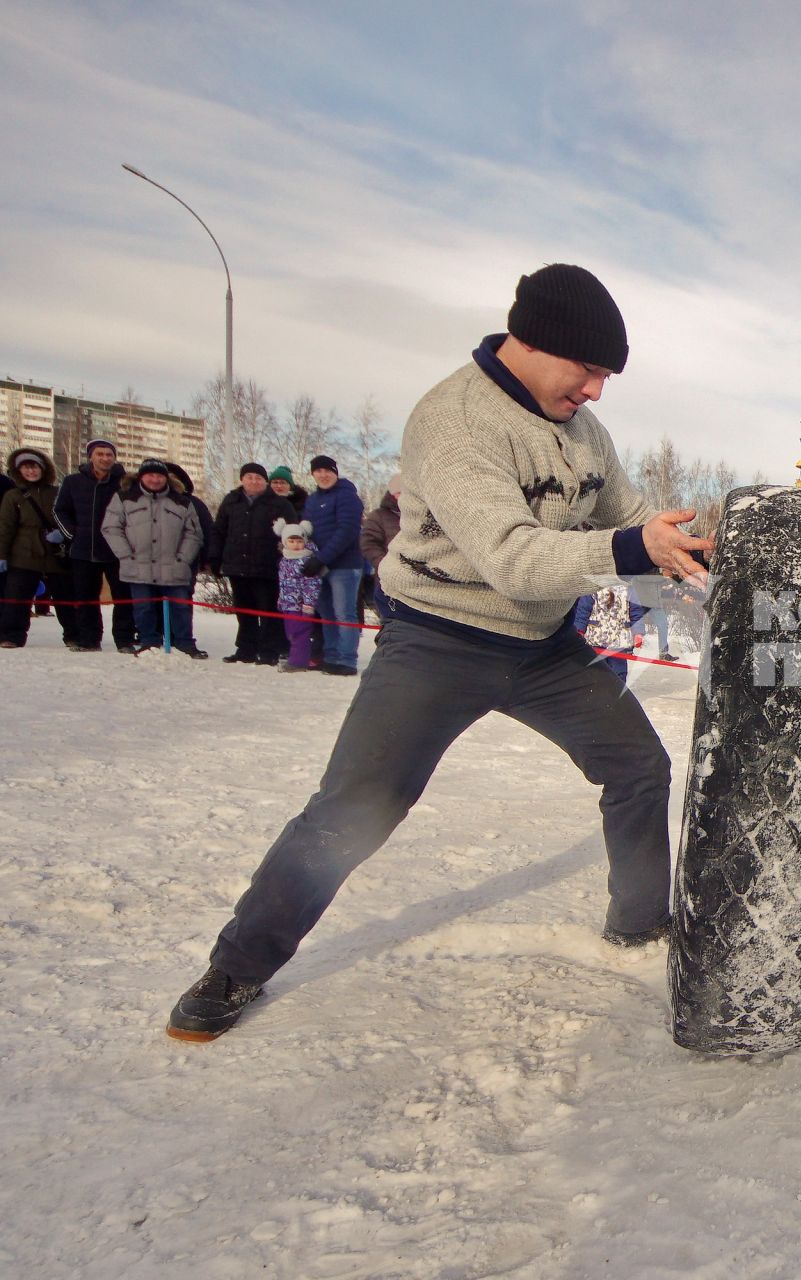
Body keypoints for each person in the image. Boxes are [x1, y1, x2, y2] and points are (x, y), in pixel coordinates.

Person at [166, 262, 711, 1041]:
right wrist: (632, 547)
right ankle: (237, 966)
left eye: (606, 376)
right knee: (357, 808)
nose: (596, 391)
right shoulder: (454, 419)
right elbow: (514, 558)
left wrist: (682, 549)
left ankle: (639, 927)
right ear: (534, 342)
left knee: (638, 767)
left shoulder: (586, 432)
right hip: (439, 640)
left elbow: (628, 513)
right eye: (588, 370)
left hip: (544, 645)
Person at [101, 458, 204, 654]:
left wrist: (183, 558)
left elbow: (193, 533)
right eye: (150, 475)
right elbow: (111, 527)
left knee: (180, 608)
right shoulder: (124, 498)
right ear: (141, 477)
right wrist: (125, 555)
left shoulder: (181, 500)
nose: (155, 480)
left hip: (173, 565)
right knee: (143, 608)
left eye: (159, 476)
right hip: (138, 564)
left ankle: (185, 643)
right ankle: (149, 642)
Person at [211, 462, 299, 663]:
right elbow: (218, 531)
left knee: (269, 611)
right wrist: (215, 557)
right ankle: (245, 649)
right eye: (249, 477)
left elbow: (291, 534)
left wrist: (288, 560)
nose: (253, 481)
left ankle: (269, 651)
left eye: (258, 478)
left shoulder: (279, 504)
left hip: (267, 567)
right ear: (242, 479)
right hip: (237, 565)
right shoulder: (231, 501)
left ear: (265, 481)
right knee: (244, 611)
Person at [52, 438, 135, 652]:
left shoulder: (125, 482)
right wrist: (72, 534)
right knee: (85, 596)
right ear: (91, 456)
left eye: (109, 454)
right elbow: (59, 510)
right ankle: (89, 639)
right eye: (100, 454)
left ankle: (124, 640)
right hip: (83, 549)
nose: (105, 458)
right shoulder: (73, 481)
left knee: (123, 597)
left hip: (116, 550)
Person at [302, 455, 367, 675]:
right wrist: (301, 554)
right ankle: (331, 656)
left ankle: (347, 660)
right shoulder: (311, 500)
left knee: (344, 613)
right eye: (318, 471)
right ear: (313, 475)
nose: (323, 475)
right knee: (327, 614)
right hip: (319, 565)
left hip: (345, 565)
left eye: (327, 470)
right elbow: (307, 531)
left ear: (335, 472)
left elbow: (347, 531)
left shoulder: (347, 496)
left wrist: (322, 557)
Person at [0, 447, 64, 648]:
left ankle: (75, 633)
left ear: (43, 469)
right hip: (23, 553)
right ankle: (11, 635)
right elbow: (5, 527)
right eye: (26, 468)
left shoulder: (58, 492)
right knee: (17, 597)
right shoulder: (13, 496)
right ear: (18, 471)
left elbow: (68, 517)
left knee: (64, 596)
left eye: (34, 467)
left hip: (54, 553)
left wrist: (63, 534)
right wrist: (1, 555)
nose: (31, 472)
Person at [162, 462, 216, 659]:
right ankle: (155, 638)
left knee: (181, 601)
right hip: (152, 562)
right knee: (151, 602)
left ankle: (183, 640)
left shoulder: (192, 503)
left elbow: (207, 530)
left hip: (185, 560)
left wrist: (208, 559)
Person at [275, 519, 321, 671]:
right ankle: (297, 657)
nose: (296, 544)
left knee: (300, 633)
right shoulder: (285, 560)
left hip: (301, 605)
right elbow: (283, 583)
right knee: (291, 633)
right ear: (285, 542)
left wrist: (308, 604)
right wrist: (281, 600)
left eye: (299, 541)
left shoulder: (307, 560)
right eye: (292, 541)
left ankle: (298, 662)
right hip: (288, 604)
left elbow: (312, 584)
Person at [360, 474, 403, 621]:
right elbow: (368, 543)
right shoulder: (378, 516)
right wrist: (384, 563)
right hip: (388, 580)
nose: (403, 497)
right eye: (399, 493)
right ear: (392, 494)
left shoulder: (422, 515)